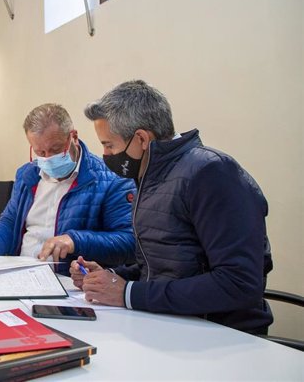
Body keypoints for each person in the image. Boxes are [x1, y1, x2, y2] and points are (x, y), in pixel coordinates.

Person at [71, 80, 273, 333]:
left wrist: (128, 293)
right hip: (172, 325)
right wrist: (109, 277)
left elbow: (238, 283)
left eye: (109, 145)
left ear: (142, 139)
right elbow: (164, 267)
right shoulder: (151, 177)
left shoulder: (210, 173)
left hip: (220, 335)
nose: (105, 154)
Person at [0, 103, 136, 274]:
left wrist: (74, 240)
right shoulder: (27, 175)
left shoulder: (112, 180)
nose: (48, 158)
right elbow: (10, 222)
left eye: (56, 149)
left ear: (73, 137)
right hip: (18, 272)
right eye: (40, 152)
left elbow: (129, 242)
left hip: (68, 282)